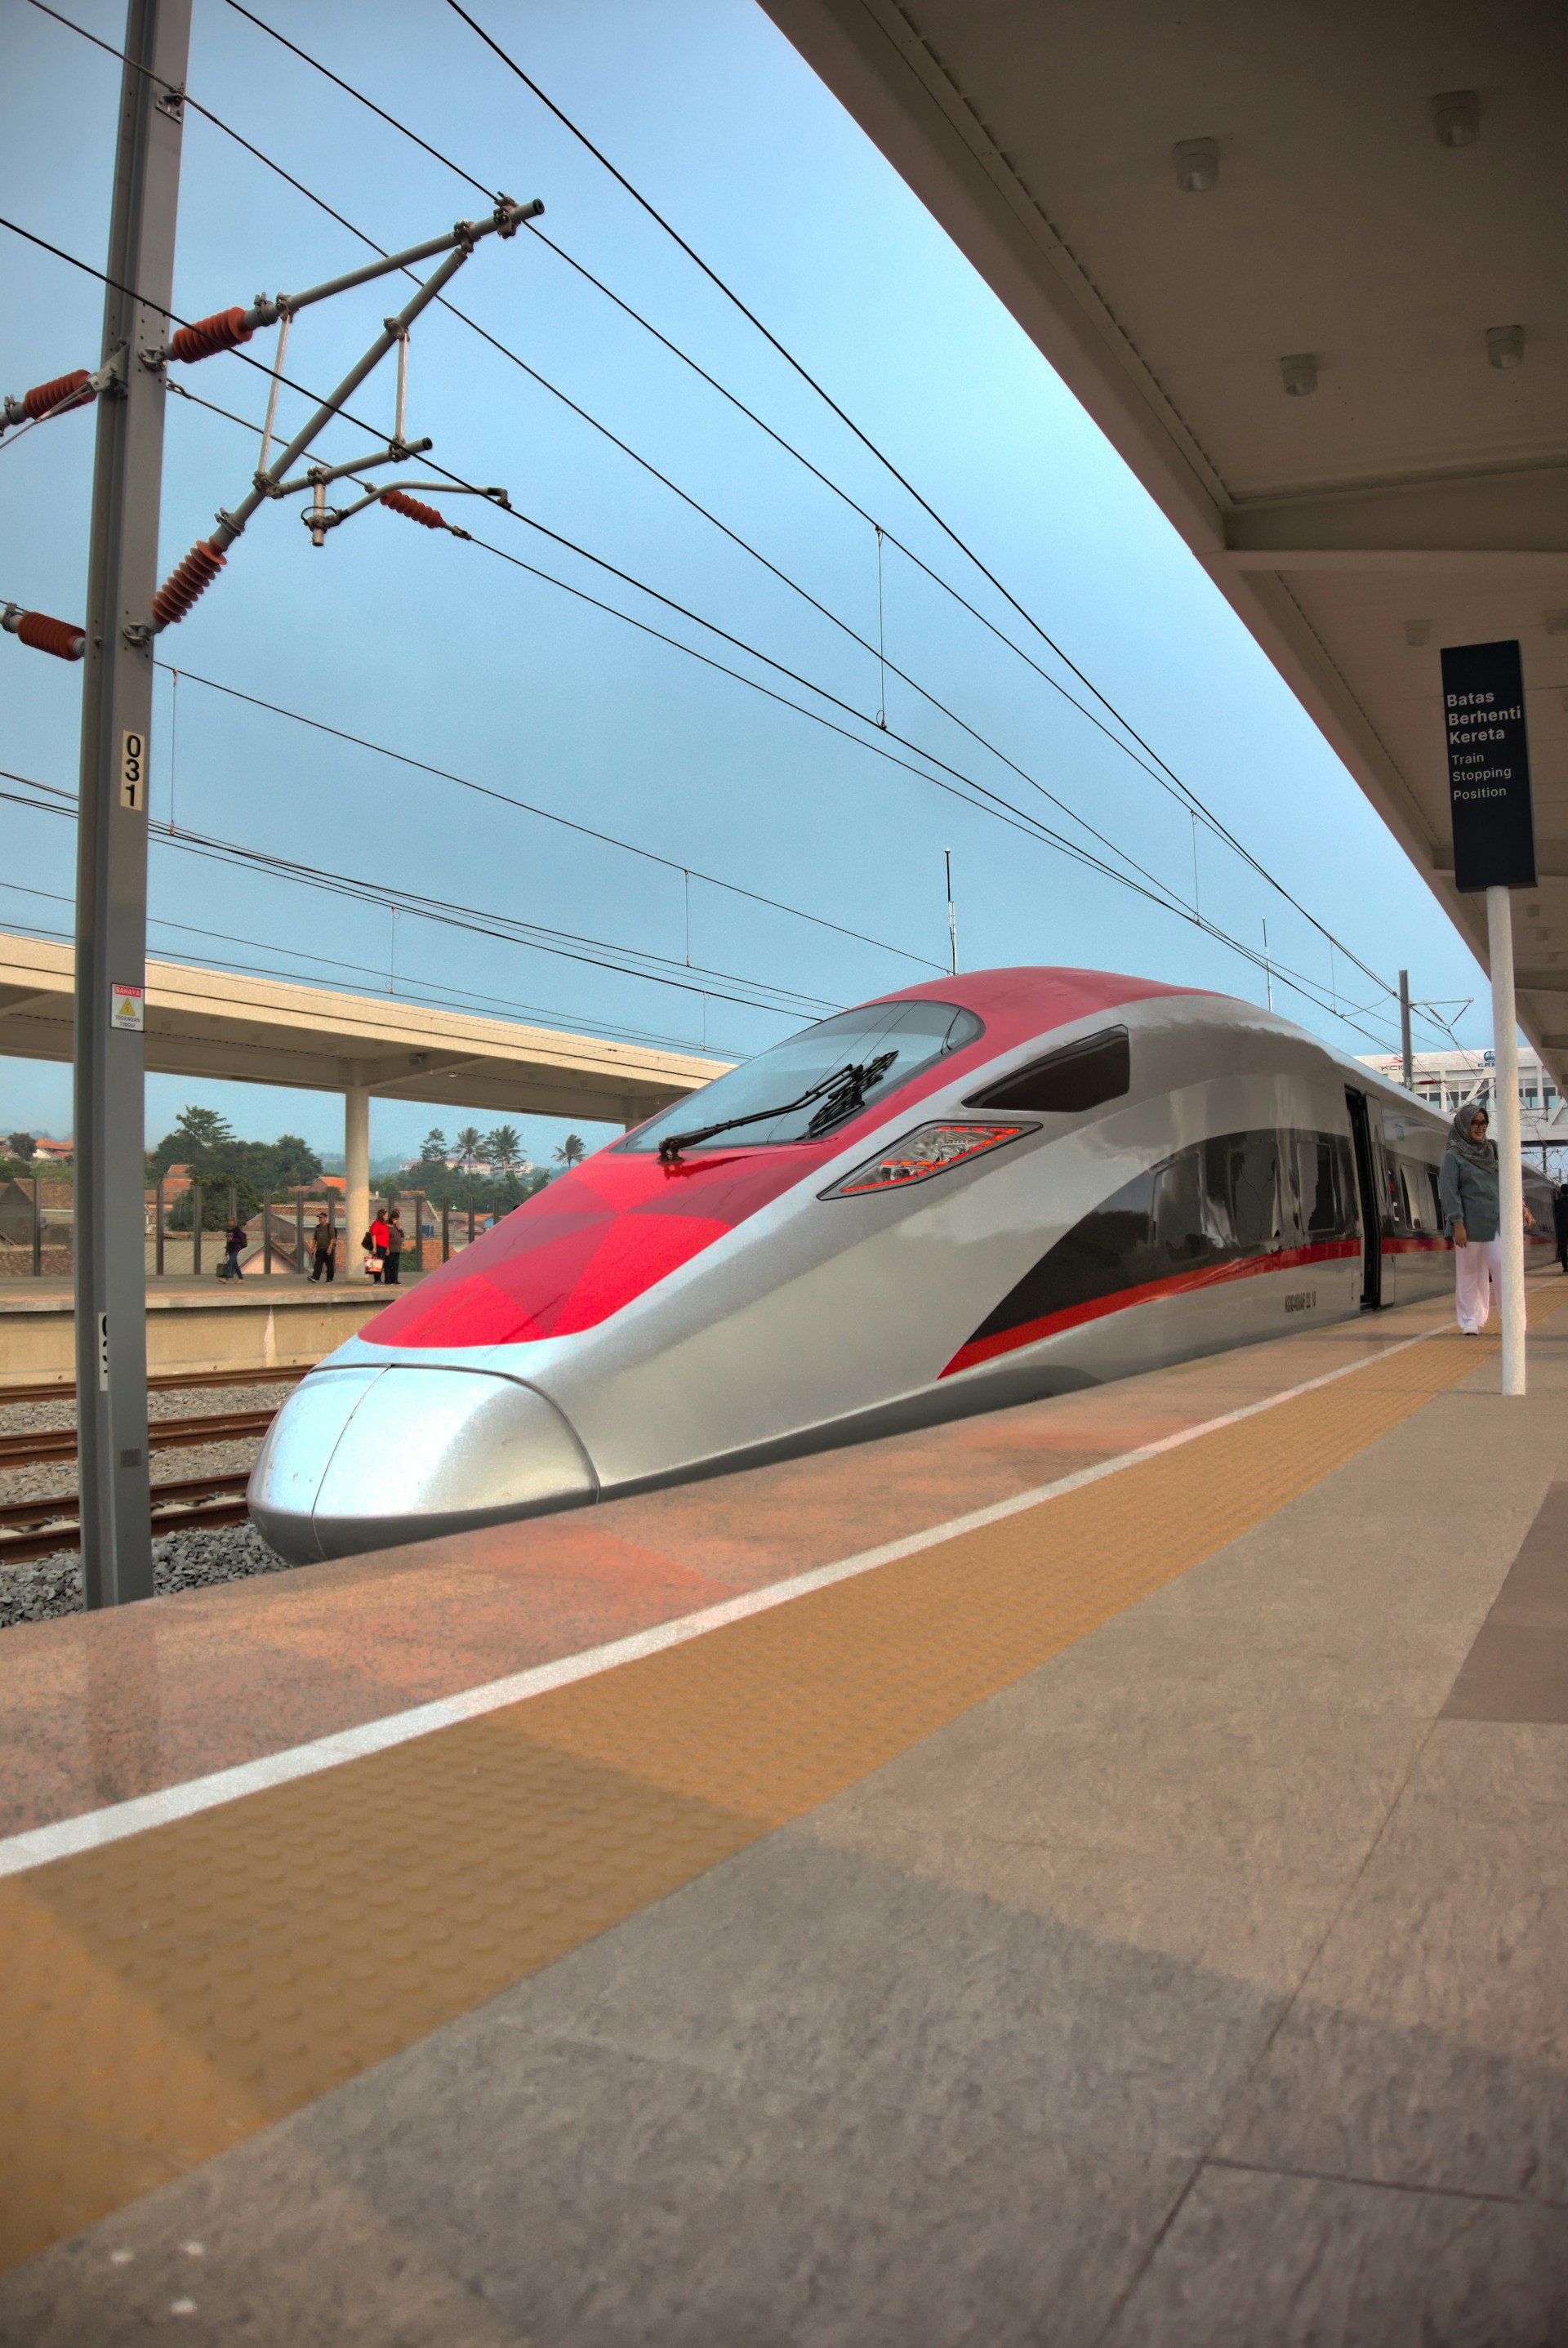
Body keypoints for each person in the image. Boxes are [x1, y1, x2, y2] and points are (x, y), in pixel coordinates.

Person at [1439, 1101, 1534, 1334]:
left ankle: (1513, 1319)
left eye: (1484, 1123)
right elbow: (1449, 1190)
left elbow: (1512, 1179)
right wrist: (1457, 1223)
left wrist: (1523, 1206)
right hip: (1468, 1224)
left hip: (1498, 1221)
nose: (1480, 1127)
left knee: (1504, 1266)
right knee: (1470, 1271)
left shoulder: (1495, 1149)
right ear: (1464, 1125)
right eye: (1475, 1123)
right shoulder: (1453, 1156)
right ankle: (1470, 1321)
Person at [364, 1206, 391, 1284]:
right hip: (379, 1245)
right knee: (377, 1263)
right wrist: (375, 1247)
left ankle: (379, 1279)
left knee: (381, 1263)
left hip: (384, 1246)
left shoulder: (384, 1225)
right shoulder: (376, 1223)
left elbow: (386, 1237)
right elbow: (373, 1235)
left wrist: (387, 1248)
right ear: (382, 1215)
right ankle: (377, 1280)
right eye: (385, 1215)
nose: (387, 1216)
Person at [310, 1209, 336, 1284]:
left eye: (321, 1218)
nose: (320, 1219)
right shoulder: (318, 1227)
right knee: (318, 1264)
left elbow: (332, 1238)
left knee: (329, 1265)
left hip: (328, 1249)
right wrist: (312, 1248)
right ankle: (315, 1277)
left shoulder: (329, 1227)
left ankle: (330, 1278)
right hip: (320, 1249)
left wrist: (330, 1247)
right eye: (319, 1218)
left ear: (325, 1218)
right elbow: (315, 1239)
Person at [383, 1205, 405, 1285]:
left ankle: (395, 1279)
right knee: (388, 1264)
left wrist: (400, 1228)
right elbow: (385, 1237)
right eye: (395, 1219)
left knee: (395, 1265)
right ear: (392, 1218)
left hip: (397, 1249)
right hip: (390, 1248)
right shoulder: (387, 1226)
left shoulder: (397, 1226)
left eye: (398, 1219)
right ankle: (388, 1279)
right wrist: (387, 1248)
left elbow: (402, 1235)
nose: (397, 1220)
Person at [220, 1214, 245, 1281]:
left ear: (234, 1222)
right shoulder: (228, 1230)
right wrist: (226, 1250)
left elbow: (240, 1239)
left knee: (230, 1262)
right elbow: (228, 1240)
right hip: (230, 1248)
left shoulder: (237, 1229)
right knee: (235, 1264)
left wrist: (233, 1240)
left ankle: (225, 1278)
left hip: (236, 1248)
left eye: (231, 1221)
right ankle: (241, 1278)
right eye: (229, 1221)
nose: (230, 1222)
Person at [1554, 1176, 1568, 1274]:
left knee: (1563, 1247)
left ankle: (1565, 1266)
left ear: (1561, 1191)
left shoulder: (1558, 1202)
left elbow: (1556, 1213)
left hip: (1562, 1228)